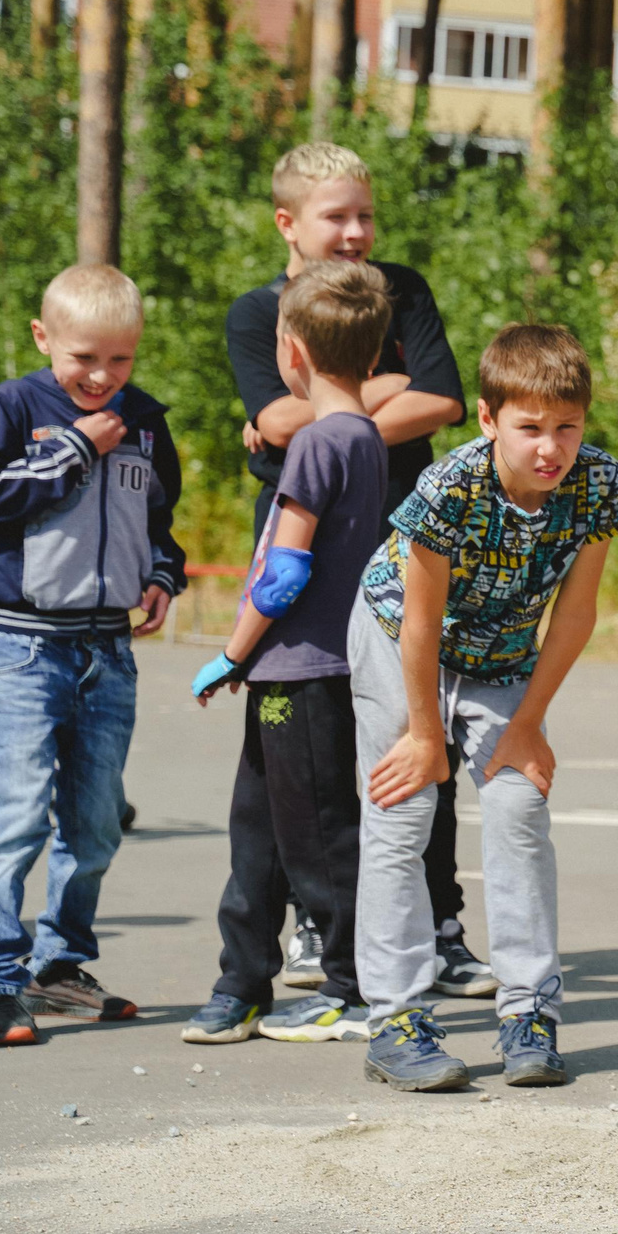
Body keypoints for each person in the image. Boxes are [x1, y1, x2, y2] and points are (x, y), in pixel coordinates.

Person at [225, 143, 488, 1002]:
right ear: (287, 224)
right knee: (295, 756)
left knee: (420, 728)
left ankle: (438, 923)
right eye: (336, 216)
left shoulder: (399, 289)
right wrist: (375, 396)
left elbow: (443, 400)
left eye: (364, 214)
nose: (355, 231)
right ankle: (311, 931)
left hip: (408, 547)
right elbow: (271, 414)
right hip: (308, 560)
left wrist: (330, 417)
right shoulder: (254, 311)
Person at [352, 325, 618, 1090]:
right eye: (530, 428)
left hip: (503, 654)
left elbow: (574, 615)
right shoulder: (450, 488)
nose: (551, 447)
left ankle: (528, 1011)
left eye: (567, 427)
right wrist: (423, 733)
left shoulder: (600, 485)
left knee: (517, 803)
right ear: (488, 419)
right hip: (400, 635)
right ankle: (397, 1019)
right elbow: (420, 622)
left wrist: (527, 723)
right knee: (404, 806)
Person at [0, 264, 185, 1047]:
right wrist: (77, 448)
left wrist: (159, 577)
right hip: (28, 646)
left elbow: (162, 522)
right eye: (83, 357)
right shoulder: (15, 405)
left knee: (93, 825)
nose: (100, 376)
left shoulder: (146, 419)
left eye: (119, 360)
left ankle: (59, 969)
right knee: (15, 817)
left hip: (109, 651)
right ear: (43, 337)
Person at [182, 262, 392, 1046]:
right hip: (297, 673)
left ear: (290, 351)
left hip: (302, 670)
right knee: (260, 831)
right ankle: (242, 980)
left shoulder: (315, 444)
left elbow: (285, 571)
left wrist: (231, 653)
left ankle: (354, 987)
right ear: (372, 357)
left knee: (321, 836)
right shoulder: (365, 436)